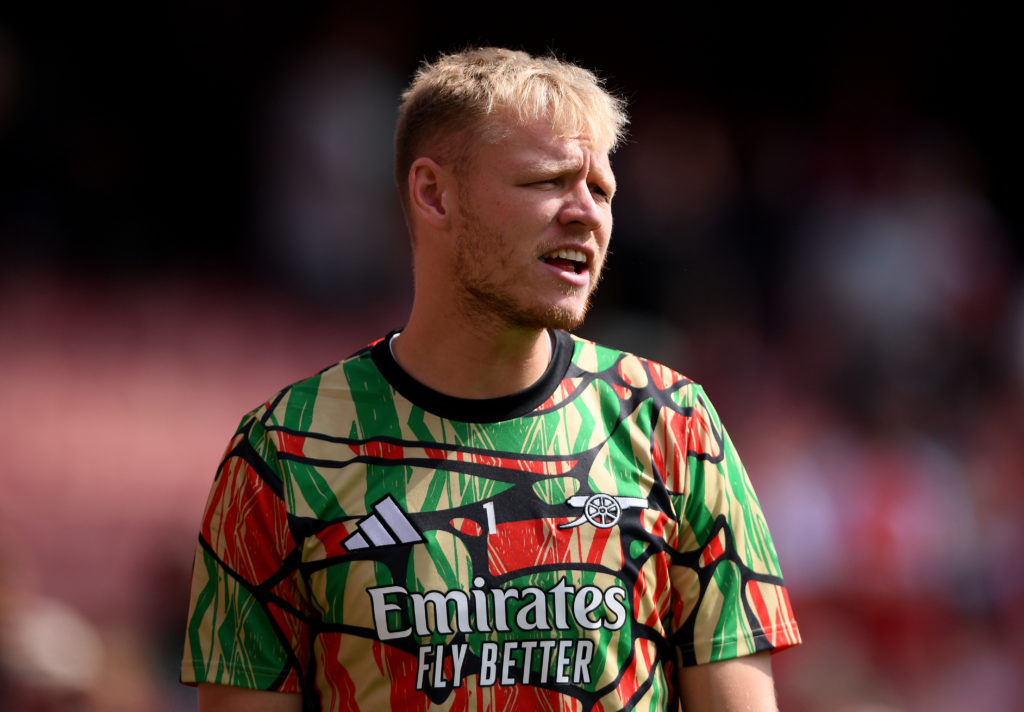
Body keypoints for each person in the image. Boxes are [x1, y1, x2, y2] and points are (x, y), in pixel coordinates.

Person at [181, 47, 801, 712]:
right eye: (547, 182)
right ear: (434, 194)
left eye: (602, 191)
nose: (586, 213)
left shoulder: (673, 426)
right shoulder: (283, 450)